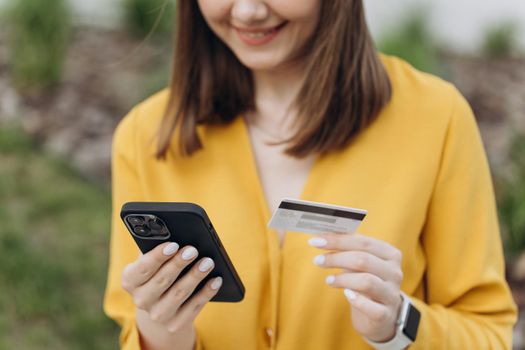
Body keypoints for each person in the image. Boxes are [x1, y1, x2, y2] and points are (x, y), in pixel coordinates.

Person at [103, 1, 518, 349]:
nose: (247, 11)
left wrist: (398, 325)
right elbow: (132, 328)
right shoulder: (145, 136)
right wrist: (159, 334)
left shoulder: (436, 118)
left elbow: (487, 332)